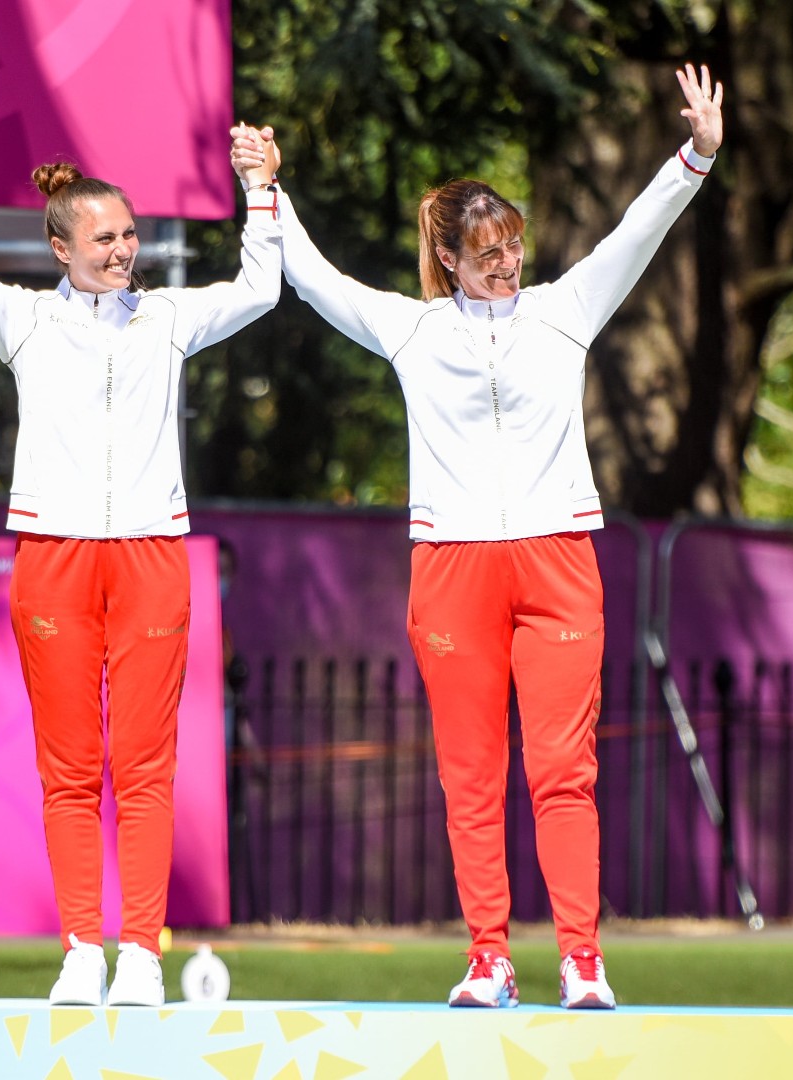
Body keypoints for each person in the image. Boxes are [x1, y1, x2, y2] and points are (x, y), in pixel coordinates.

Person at [231, 63, 723, 1009]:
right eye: (486, 250)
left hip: (557, 562)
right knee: (470, 776)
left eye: (513, 244)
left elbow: (637, 234)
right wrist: (265, 189)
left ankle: (583, 961)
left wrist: (694, 155)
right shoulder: (413, 332)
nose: (506, 262)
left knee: (562, 772)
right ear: (449, 258)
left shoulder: (565, 312)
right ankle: (488, 958)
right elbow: (315, 277)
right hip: (452, 566)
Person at [0, 86, 281, 1007]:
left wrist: (263, 193)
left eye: (128, 234)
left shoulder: (168, 320)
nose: (124, 250)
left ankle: (143, 957)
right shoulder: (26, 321)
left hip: (153, 553)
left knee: (146, 766)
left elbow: (262, 287)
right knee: (69, 767)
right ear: (61, 248)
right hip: (55, 556)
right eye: (104, 238)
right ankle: (82, 948)